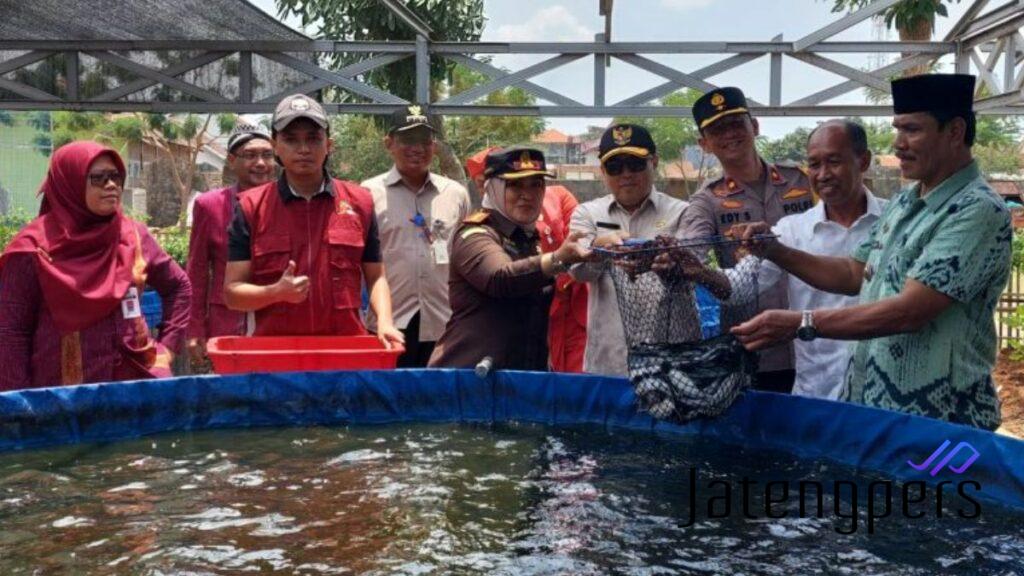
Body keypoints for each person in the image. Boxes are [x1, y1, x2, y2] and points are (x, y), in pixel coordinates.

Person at [730, 74, 1011, 430]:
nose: (898, 144)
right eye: (897, 130)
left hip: (941, 424)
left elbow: (911, 311)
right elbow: (852, 272)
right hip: (876, 413)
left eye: (912, 130)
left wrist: (802, 323)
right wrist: (773, 250)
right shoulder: (908, 201)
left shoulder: (975, 209)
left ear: (955, 131)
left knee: (935, 489)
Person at [682, 120, 885, 399]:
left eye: (834, 161)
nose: (823, 174)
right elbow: (739, 288)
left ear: (863, 161)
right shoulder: (790, 230)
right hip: (819, 389)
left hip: (882, 386)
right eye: (814, 165)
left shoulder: (895, 220)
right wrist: (697, 271)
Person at [0, 141, 191, 390]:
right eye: (98, 178)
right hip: (65, 401)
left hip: (137, 387)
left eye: (115, 177)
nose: (111, 185)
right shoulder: (32, 249)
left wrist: (166, 349)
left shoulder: (133, 236)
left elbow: (179, 286)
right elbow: (11, 332)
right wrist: (20, 405)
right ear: (70, 184)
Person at [223, 94, 403, 348]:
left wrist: (385, 322)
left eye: (313, 139)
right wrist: (274, 292)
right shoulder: (251, 207)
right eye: (291, 139)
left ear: (328, 145)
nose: (304, 149)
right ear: (275, 145)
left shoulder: (360, 202)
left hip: (345, 350)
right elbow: (232, 293)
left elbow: (375, 276)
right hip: (276, 354)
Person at [680, 86, 815, 394]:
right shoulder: (707, 201)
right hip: (753, 350)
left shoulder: (802, 181)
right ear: (704, 144)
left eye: (735, 123)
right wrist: (678, 260)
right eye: (717, 130)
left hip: (816, 341)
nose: (729, 134)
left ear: (754, 126)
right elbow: (691, 249)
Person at [428, 148, 590, 370]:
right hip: (468, 381)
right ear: (492, 188)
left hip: (520, 381)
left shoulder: (530, 240)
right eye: (515, 185)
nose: (528, 194)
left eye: (536, 184)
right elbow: (500, 278)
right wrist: (557, 259)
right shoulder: (475, 235)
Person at [569, 124, 690, 377]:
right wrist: (600, 249)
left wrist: (663, 261)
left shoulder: (682, 212)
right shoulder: (587, 213)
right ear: (602, 171)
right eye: (615, 167)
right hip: (609, 360)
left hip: (673, 358)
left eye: (635, 164)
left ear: (654, 162)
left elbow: (693, 269)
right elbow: (579, 273)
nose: (626, 174)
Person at [361, 106, 471, 367]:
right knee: (390, 400)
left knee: (439, 401)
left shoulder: (455, 194)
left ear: (434, 145)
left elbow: (465, 255)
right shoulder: (367, 194)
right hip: (389, 325)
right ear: (389, 143)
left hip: (445, 322)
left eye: (425, 141)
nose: (418, 148)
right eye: (408, 140)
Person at [186, 119, 274, 366]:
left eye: (267, 155)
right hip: (226, 319)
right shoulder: (210, 205)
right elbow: (197, 270)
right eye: (249, 155)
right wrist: (194, 328)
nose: (260, 163)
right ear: (232, 160)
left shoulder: (286, 204)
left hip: (275, 319)